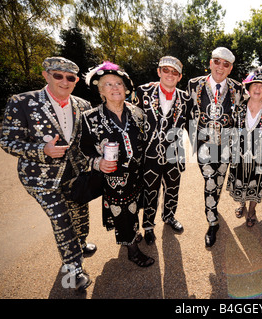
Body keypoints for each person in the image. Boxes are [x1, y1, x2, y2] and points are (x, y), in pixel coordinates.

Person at [0, 57, 95, 291]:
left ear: (76, 81)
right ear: (46, 75)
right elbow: (8, 142)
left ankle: (80, 243)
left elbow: (88, 141)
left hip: (74, 174)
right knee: (62, 220)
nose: (65, 81)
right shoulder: (22, 102)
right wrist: (42, 149)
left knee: (80, 214)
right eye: (58, 75)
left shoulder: (83, 105)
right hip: (41, 178)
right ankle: (73, 270)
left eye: (70, 77)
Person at [80, 61, 154, 268]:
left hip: (137, 175)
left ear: (126, 88)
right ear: (100, 90)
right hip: (113, 179)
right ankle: (131, 250)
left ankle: (132, 233)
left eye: (118, 83)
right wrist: (97, 163)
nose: (115, 88)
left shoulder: (138, 113)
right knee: (121, 211)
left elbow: (146, 141)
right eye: (108, 84)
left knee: (134, 208)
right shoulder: (89, 119)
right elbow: (81, 150)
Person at [187, 47, 244, 247]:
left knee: (218, 181)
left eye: (225, 64)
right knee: (210, 180)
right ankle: (212, 222)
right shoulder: (194, 84)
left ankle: (213, 205)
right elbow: (185, 112)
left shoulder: (238, 88)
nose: (220, 67)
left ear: (230, 69)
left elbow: (246, 113)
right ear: (210, 63)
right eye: (217, 62)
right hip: (203, 145)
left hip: (227, 146)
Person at [135, 56, 192, 245]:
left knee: (173, 189)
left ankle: (169, 216)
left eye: (174, 72)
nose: (169, 74)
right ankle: (149, 226)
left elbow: (191, 126)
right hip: (149, 153)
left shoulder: (185, 98)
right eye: (165, 70)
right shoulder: (143, 91)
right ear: (159, 72)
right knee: (150, 191)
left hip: (175, 153)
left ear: (179, 77)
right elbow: (132, 122)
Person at [227, 66, 262, 227]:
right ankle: (241, 204)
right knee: (241, 182)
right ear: (248, 87)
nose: (258, 88)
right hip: (240, 156)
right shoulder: (237, 108)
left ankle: (252, 210)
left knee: (256, 184)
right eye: (254, 84)